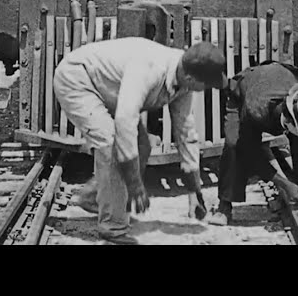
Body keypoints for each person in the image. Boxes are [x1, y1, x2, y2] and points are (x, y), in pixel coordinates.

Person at [53, 37, 228, 245]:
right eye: (207, 85)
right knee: (112, 145)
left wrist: (194, 191)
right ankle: (113, 228)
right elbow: (125, 120)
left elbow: (185, 132)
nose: (207, 90)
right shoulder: (150, 68)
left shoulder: (184, 82)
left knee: (142, 146)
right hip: (77, 80)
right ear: (191, 78)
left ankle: (93, 198)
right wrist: (135, 185)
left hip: (108, 88)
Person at [208, 61, 298, 226]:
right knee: (233, 145)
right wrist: (284, 184)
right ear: (288, 123)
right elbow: (250, 151)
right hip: (244, 94)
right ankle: (224, 206)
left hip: (280, 78)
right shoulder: (255, 109)